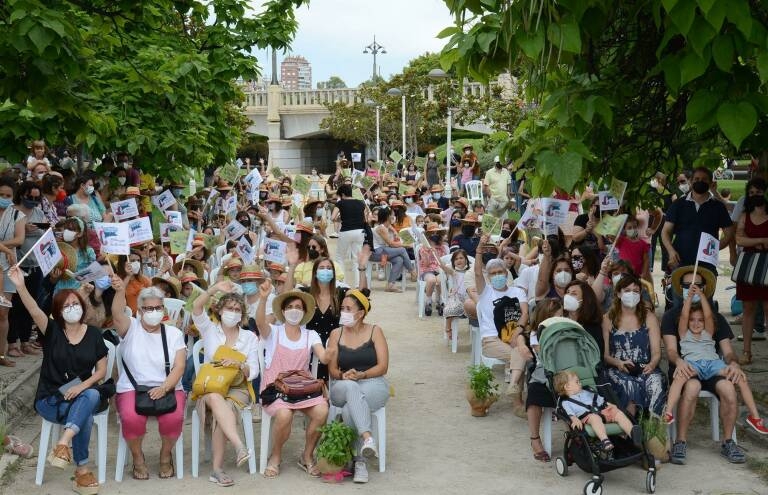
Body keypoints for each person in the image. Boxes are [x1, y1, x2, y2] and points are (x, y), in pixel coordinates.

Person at [10, 265, 107, 495]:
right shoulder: (52, 330)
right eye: (66, 306)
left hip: (82, 393)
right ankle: (82, 471)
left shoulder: (93, 334)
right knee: (84, 412)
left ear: (82, 306)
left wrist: (81, 387)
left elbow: (101, 371)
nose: (72, 308)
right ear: (58, 312)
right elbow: (33, 309)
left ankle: (63, 442)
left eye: (75, 304)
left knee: (90, 395)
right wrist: (21, 286)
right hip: (52, 398)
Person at [661, 265, 746, 464]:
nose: (692, 288)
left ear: (705, 288)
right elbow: (671, 351)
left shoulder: (716, 318)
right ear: (679, 288)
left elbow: (728, 351)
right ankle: (680, 441)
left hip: (712, 367)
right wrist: (679, 361)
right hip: (685, 369)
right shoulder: (670, 316)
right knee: (692, 387)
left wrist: (734, 364)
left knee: (729, 389)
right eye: (687, 285)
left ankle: (728, 442)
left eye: (697, 285)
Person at [661, 283, 768, 433]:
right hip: (693, 364)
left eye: (700, 320)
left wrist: (702, 295)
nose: (696, 323)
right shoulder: (684, 334)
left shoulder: (708, 332)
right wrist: (690, 297)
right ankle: (668, 412)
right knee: (679, 377)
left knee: (740, 377)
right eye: (692, 320)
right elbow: (684, 315)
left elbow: (708, 315)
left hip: (713, 364)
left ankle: (755, 418)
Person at [255, 284, 333, 479]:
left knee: (322, 410)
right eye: (290, 307)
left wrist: (333, 348)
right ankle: (276, 456)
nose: (294, 310)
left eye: (298, 307)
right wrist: (263, 298)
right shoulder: (274, 332)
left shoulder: (310, 335)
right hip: (275, 388)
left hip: (302, 389)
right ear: (283, 311)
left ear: (304, 312)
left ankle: (307, 455)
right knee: (284, 414)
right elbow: (260, 323)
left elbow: (324, 358)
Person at [111, 284, 186, 481]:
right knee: (131, 417)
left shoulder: (174, 334)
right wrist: (120, 290)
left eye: (158, 307)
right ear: (140, 310)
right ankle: (137, 457)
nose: (154, 312)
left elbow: (179, 366)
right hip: (132, 387)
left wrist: (164, 387)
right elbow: (116, 313)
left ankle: (165, 454)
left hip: (168, 386)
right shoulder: (131, 328)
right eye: (149, 308)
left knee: (173, 418)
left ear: (164, 309)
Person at [191, 280, 258, 486]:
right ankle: (239, 446)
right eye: (229, 308)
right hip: (210, 386)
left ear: (242, 314)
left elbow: (254, 370)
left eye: (237, 310)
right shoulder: (209, 329)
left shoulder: (249, 337)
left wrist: (239, 364)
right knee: (214, 397)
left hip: (237, 388)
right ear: (220, 310)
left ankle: (217, 470)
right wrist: (215, 289)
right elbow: (196, 307)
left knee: (222, 408)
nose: (233, 312)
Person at [326, 290, 389, 484]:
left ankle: (357, 460)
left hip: (372, 383)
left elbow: (383, 367)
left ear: (360, 313)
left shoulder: (375, 331)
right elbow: (332, 370)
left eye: (348, 309)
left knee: (348, 409)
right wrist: (342, 375)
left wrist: (363, 374)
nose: (343, 312)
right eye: (342, 308)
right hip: (342, 385)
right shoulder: (336, 334)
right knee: (351, 388)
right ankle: (367, 438)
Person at [475, 238, 530, 415]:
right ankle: (517, 402)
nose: (497, 275)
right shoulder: (485, 292)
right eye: (493, 273)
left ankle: (514, 390)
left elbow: (525, 313)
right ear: (489, 276)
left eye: (500, 272)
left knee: (519, 350)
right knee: (520, 354)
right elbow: (477, 273)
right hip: (492, 339)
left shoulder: (517, 291)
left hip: (515, 335)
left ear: (506, 273)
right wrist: (479, 249)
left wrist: (518, 331)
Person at [601, 274, 665, 416]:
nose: (632, 294)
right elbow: (605, 355)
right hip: (617, 368)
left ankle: (654, 426)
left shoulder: (649, 317)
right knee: (629, 385)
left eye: (636, 291)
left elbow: (656, 352)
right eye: (627, 290)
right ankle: (631, 426)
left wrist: (652, 364)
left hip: (645, 367)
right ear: (618, 294)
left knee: (656, 383)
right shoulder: (607, 319)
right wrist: (618, 363)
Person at [661, 166, 733, 274]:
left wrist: (713, 250)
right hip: (680, 261)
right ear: (691, 181)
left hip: (707, 264)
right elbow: (665, 231)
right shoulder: (678, 205)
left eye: (704, 179)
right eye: (697, 179)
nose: (700, 181)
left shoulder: (718, 207)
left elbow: (729, 234)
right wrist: (671, 251)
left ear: (711, 183)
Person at [554, 370, 642, 456]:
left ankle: (633, 434)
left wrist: (611, 405)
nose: (580, 383)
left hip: (601, 412)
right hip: (588, 418)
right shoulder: (566, 402)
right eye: (577, 382)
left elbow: (601, 400)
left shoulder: (587, 391)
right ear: (567, 387)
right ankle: (605, 440)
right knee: (594, 418)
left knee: (618, 413)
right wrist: (575, 419)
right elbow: (570, 413)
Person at [734, 177, 768, 364]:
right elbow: (739, 240)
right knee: (748, 308)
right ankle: (746, 352)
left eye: (759, 192)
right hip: (748, 267)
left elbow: (744, 239)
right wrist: (761, 241)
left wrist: (751, 241)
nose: (755, 195)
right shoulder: (744, 216)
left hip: (766, 267)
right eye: (752, 192)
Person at [524, 299, 562, 462]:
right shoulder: (536, 334)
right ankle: (535, 438)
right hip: (544, 369)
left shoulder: (566, 330)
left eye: (560, 316)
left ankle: (576, 437)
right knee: (534, 392)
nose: (558, 320)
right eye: (554, 317)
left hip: (565, 369)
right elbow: (544, 354)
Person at [0, 176, 25, 366]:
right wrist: (7, 249)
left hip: (8, 267)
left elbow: (19, 239)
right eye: (1, 194)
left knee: (3, 312)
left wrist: (4, 247)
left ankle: (2, 354)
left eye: (8, 195)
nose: (4, 198)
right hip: (7, 257)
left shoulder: (17, 215)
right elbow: (13, 243)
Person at [371, 207, 417, 292]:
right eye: (392, 215)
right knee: (402, 250)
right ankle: (412, 271)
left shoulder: (386, 226)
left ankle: (390, 285)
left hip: (383, 251)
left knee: (399, 260)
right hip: (376, 252)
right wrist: (406, 245)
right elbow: (391, 244)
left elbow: (392, 235)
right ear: (388, 216)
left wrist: (395, 232)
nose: (394, 216)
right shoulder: (381, 228)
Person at [333, 184, 368, 286]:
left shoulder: (340, 203)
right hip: (359, 231)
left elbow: (333, 217)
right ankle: (358, 285)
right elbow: (365, 218)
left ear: (343, 194)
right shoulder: (360, 203)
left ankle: (342, 283)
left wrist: (340, 218)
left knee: (340, 257)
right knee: (357, 259)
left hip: (346, 231)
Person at [563, 280, 604, 355]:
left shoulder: (593, 327)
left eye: (574, 294)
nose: (568, 296)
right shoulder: (559, 320)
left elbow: (597, 355)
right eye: (567, 292)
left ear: (585, 299)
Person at [419, 223, 448, 316]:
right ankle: (428, 301)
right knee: (431, 280)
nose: (434, 234)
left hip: (439, 270)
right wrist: (427, 255)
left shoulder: (443, 248)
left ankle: (439, 300)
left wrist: (436, 254)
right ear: (428, 235)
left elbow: (443, 264)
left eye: (436, 233)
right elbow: (426, 265)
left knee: (440, 280)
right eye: (432, 233)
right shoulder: (423, 248)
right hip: (427, 270)